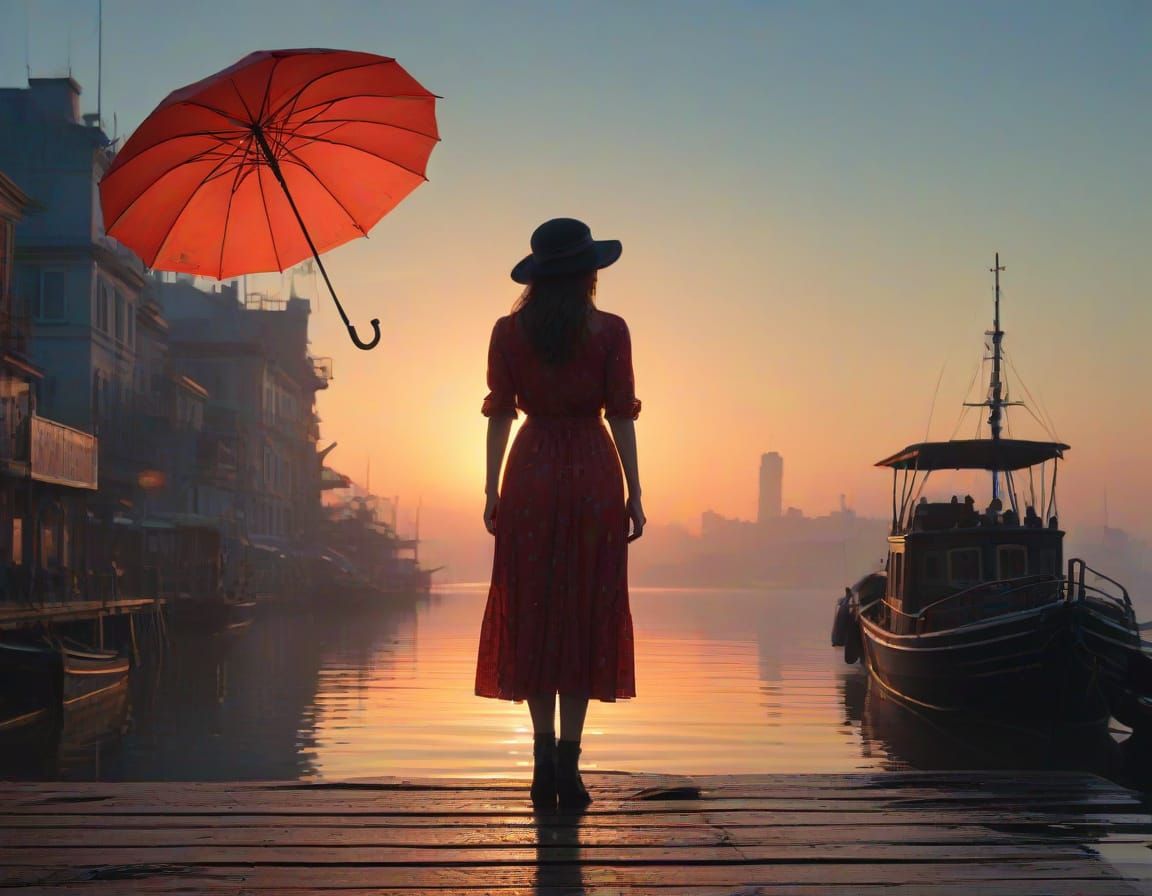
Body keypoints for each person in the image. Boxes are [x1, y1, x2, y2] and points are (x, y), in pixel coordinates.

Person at [476, 218, 645, 811]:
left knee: (533, 609)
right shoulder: (611, 330)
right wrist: (635, 492)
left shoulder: (508, 331)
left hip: (530, 472)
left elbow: (501, 413)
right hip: (593, 471)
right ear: (588, 273)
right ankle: (569, 769)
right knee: (584, 611)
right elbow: (620, 414)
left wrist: (492, 489)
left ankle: (541, 762)